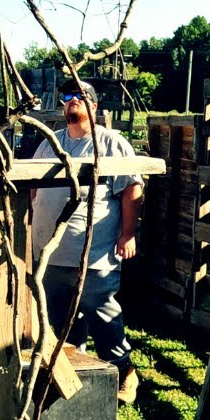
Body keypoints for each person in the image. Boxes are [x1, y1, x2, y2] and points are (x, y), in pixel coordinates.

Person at [29, 79, 144, 403]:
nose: (72, 101)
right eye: (67, 97)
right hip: (51, 253)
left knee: (101, 312)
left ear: (94, 106)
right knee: (58, 319)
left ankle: (123, 371)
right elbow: (34, 187)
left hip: (92, 253)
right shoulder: (51, 142)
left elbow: (132, 189)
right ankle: (71, 374)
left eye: (80, 97)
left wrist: (127, 233)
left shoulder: (111, 142)